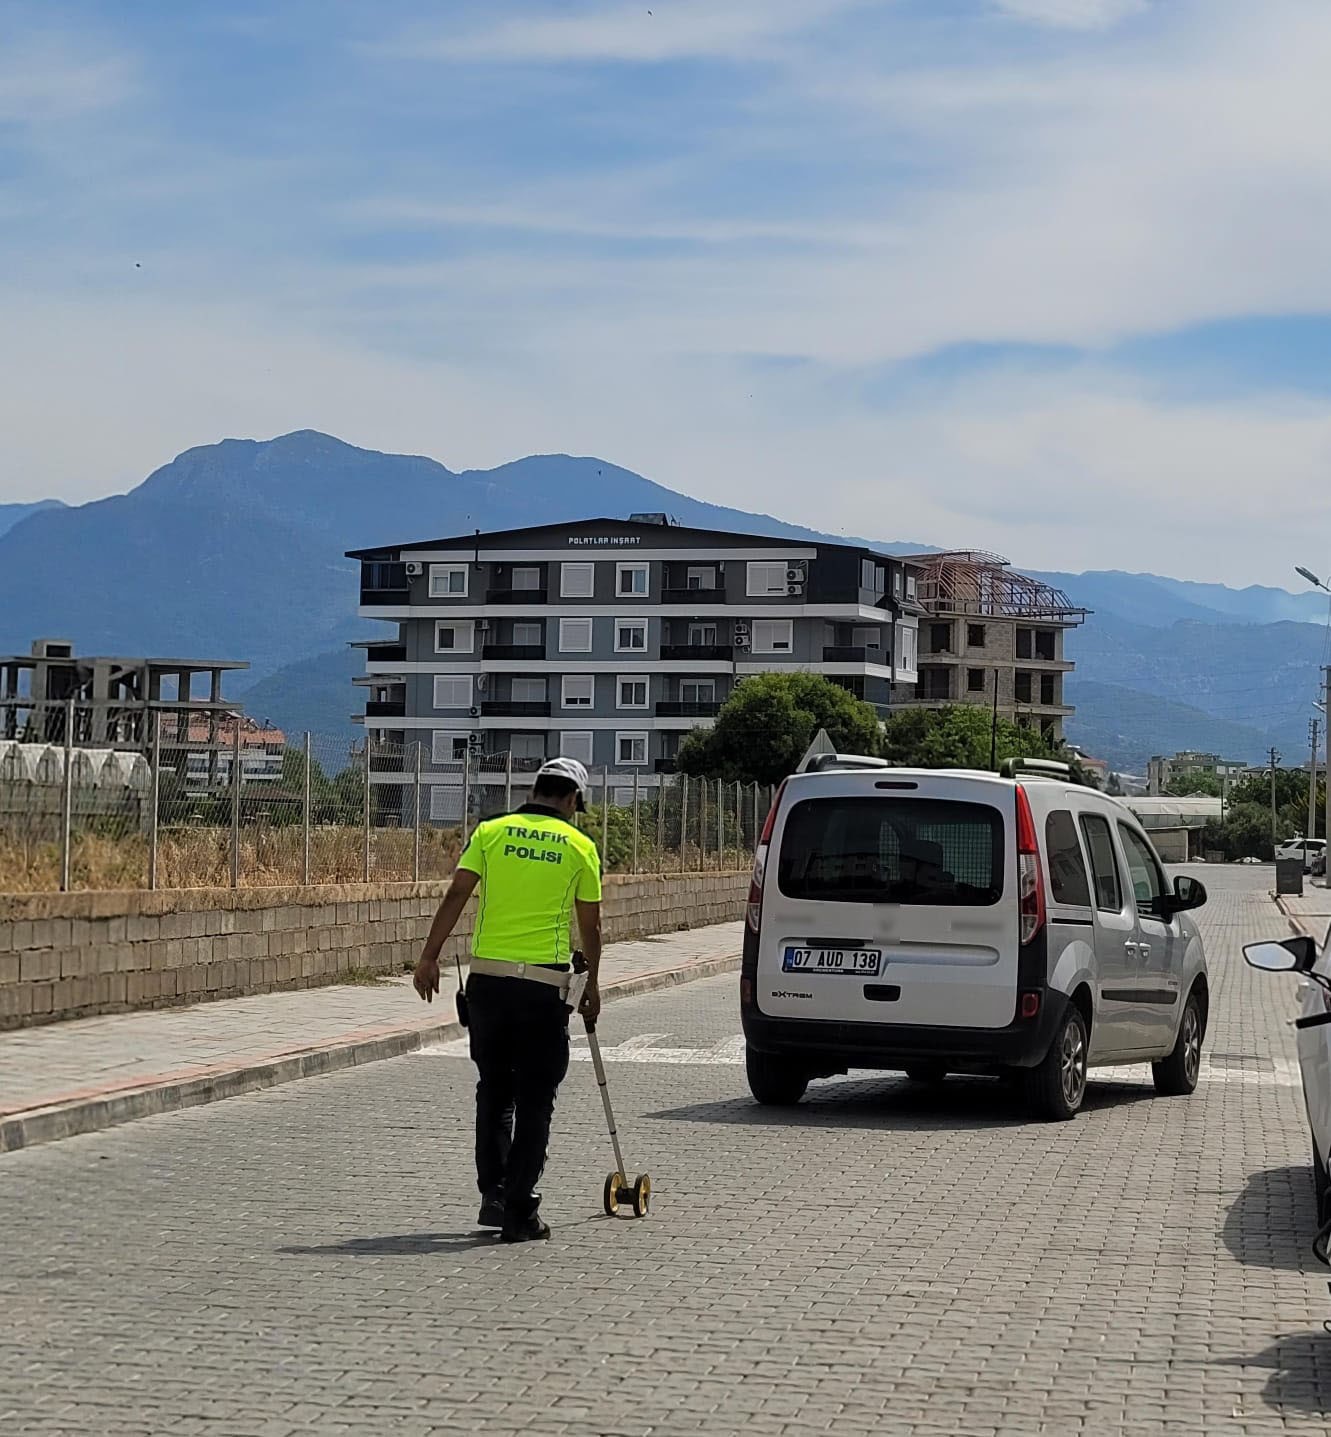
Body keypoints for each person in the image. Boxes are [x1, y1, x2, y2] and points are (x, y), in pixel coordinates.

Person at [413, 757, 602, 1243]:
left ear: (536, 788)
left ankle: (494, 1196)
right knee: (537, 1098)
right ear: (573, 799)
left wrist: (429, 957)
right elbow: (591, 925)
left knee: (494, 1090)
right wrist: (592, 986)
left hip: (489, 984)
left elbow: (456, 894)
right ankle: (520, 1208)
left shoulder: (491, 832)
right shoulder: (581, 846)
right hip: (543, 987)